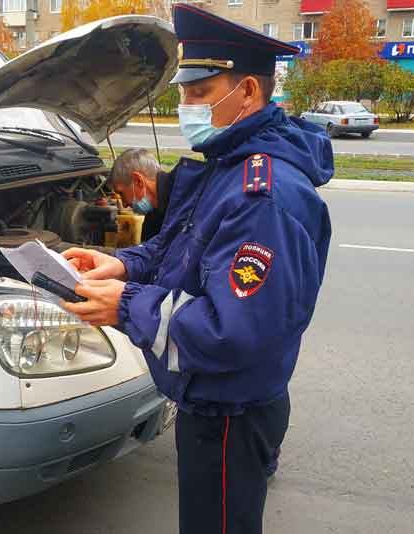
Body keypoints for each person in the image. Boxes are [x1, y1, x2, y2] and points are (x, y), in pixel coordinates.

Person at [61, 4, 333, 534]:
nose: (184, 105)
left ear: (248, 92)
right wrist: (119, 264)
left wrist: (125, 304)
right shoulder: (227, 168)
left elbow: (230, 329)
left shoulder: (262, 197)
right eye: (183, 92)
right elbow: (175, 252)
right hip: (211, 399)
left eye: (200, 93)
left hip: (229, 412)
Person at [108, 148, 172, 241]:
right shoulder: (154, 213)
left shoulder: (184, 203)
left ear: (138, 181)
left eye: (121, 193)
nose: (124, 204)